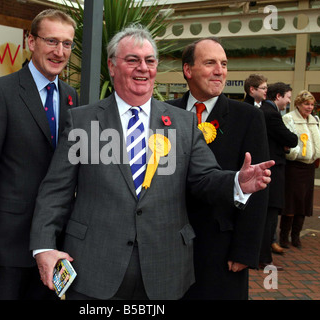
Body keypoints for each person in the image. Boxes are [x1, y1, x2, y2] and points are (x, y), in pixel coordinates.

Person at [29, 26, 274, 300]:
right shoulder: (83, 122)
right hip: (94, 270)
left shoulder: (182, 123)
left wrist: (236, 183)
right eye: (132, 60)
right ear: (112, 66)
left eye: (150, 61)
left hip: (164, 271)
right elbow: (55, 192)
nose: (142, 68)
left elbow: (205, 178)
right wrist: (43, 247)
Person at [0, 9, 79, 300]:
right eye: (51, 41)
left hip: (53, 242)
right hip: (8, 245)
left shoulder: (71, 96)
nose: (59, 51)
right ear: (30, 41)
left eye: (67, 43)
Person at [167, 37, 270, 300]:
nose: (220, 70)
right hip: (167, 245)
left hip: (221, 249)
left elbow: (259, 187)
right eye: (210, 62)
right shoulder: (165, 113)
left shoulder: (247, 117)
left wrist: (245, 250)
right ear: (188, 70)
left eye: (223, 64)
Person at [258, 82, 298, 269]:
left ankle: (263, 256)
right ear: (278, 96)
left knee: (267, 215)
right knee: (270, 215)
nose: (288, 101)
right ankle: (265, 259)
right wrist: (286, 142)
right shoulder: (271, 114)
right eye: (288, 97)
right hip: (273, 169)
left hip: (268, 167)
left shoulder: (264, 111)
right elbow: (291, 139)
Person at [281, 90, 320, 248]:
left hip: (309, 168)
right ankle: (284, 236)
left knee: (304, 203)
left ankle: (296, 236)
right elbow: (286, 141)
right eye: (306, 104)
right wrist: (295, 153)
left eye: (312, 104)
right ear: (298, 104)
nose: (310, 107)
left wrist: (319, 152)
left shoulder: (315, 119)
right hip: (294, 167)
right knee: (291, 203)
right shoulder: (289, 118)